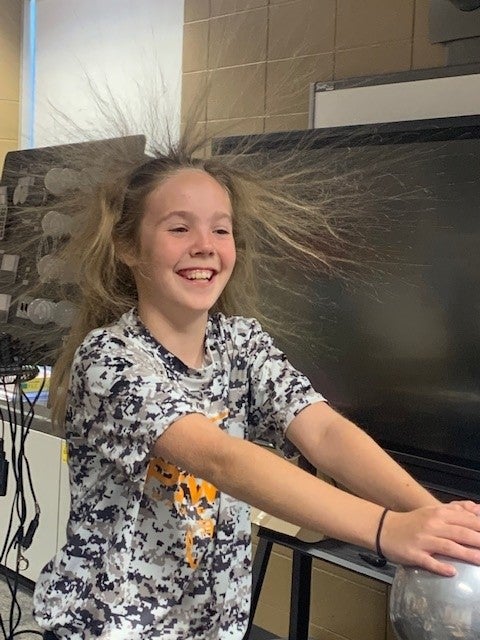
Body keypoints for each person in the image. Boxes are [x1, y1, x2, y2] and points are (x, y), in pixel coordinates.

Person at [32, 139, 480, 640]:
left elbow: (325, 431)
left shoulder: (240, 343)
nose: (204, 244)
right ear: (128, 247)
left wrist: (429, 515)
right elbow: (223, 459)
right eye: (179, 228)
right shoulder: (109, 358)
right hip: (109, 630)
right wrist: (384, 530)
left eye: (220, 230)